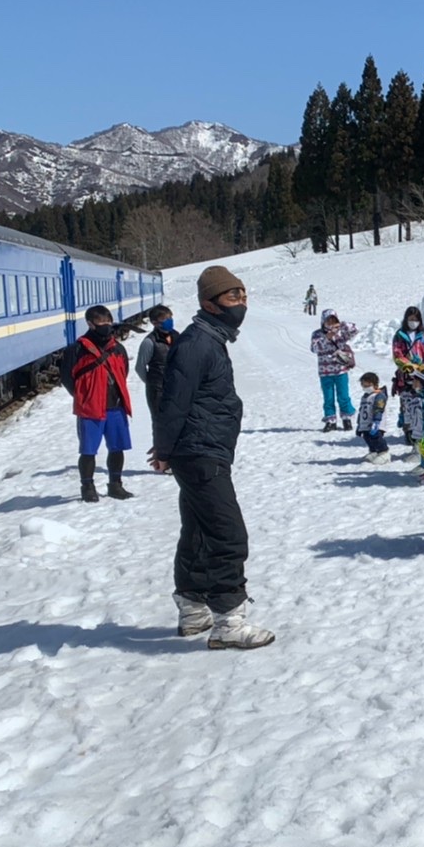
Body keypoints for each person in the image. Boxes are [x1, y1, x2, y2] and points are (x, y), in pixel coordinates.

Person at [151, 266, 274, 649]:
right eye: (232, 297)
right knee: (227, 534)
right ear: (209, 303)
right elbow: (173, 401)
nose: (242, 303)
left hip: (203, 450)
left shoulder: (209, 337)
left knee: (198, 532)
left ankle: (192, 608)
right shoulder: (198, 344)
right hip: (200, 453)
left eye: (243, 295)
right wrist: (165, 450)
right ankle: (228, 622)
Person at [64, 304, 134, 503]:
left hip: (115, 407)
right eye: (101, 323)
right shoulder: (77, 349)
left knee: (117, 448)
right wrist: (83, 396)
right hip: (90, 409)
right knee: (88, 451)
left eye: (108, 322)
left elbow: (124, 372)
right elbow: (67, 378)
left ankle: (115, 485)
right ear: (90, 324)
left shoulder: (117, 348)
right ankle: (87, 486)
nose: (106, 326)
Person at [310, 309, 358, 432]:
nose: (331, 324)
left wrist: (341, 325)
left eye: (333, 321)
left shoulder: (341, 333)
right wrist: (326, 338)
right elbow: (314, 349)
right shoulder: (317, 334)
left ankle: (346, 419)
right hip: (325, 372)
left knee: (343, 396)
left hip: (341, 371)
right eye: (328, 321)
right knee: (328, 397)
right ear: (323, 322)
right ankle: (330, 421)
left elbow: (354, 330)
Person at [391, 307, 424, 443]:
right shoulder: (399, 335)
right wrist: (407, 365)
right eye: (410, 319)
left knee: (419, 405)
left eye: (416, 320)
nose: (413, 322)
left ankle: (419, 432)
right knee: (406, 406)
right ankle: (408, 432)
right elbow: (397, 354)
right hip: (405, 377)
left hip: (421, 377)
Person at [135, 305, 178, 421]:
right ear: (154, 323)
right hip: (158, 392)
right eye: (164, 319)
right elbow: (140, 367)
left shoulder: (177, 336)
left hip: (176, 387)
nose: (169, 321)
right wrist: (152, 382)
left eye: (170, 317)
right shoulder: (149, 342)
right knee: (162, 425)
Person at [356, 372, 391, 464]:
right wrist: (359, 424)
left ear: (372, 383)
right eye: (362, 384)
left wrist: (376, 421)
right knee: (367, 437)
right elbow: (361, 411)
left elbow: (379, 408)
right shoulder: (365, 397)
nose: (363, 386)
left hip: (376, 423)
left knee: (376, 437)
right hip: (365, 423)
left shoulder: (378, 396)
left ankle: (383, 452)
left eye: (365, 383)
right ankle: (374, 451)